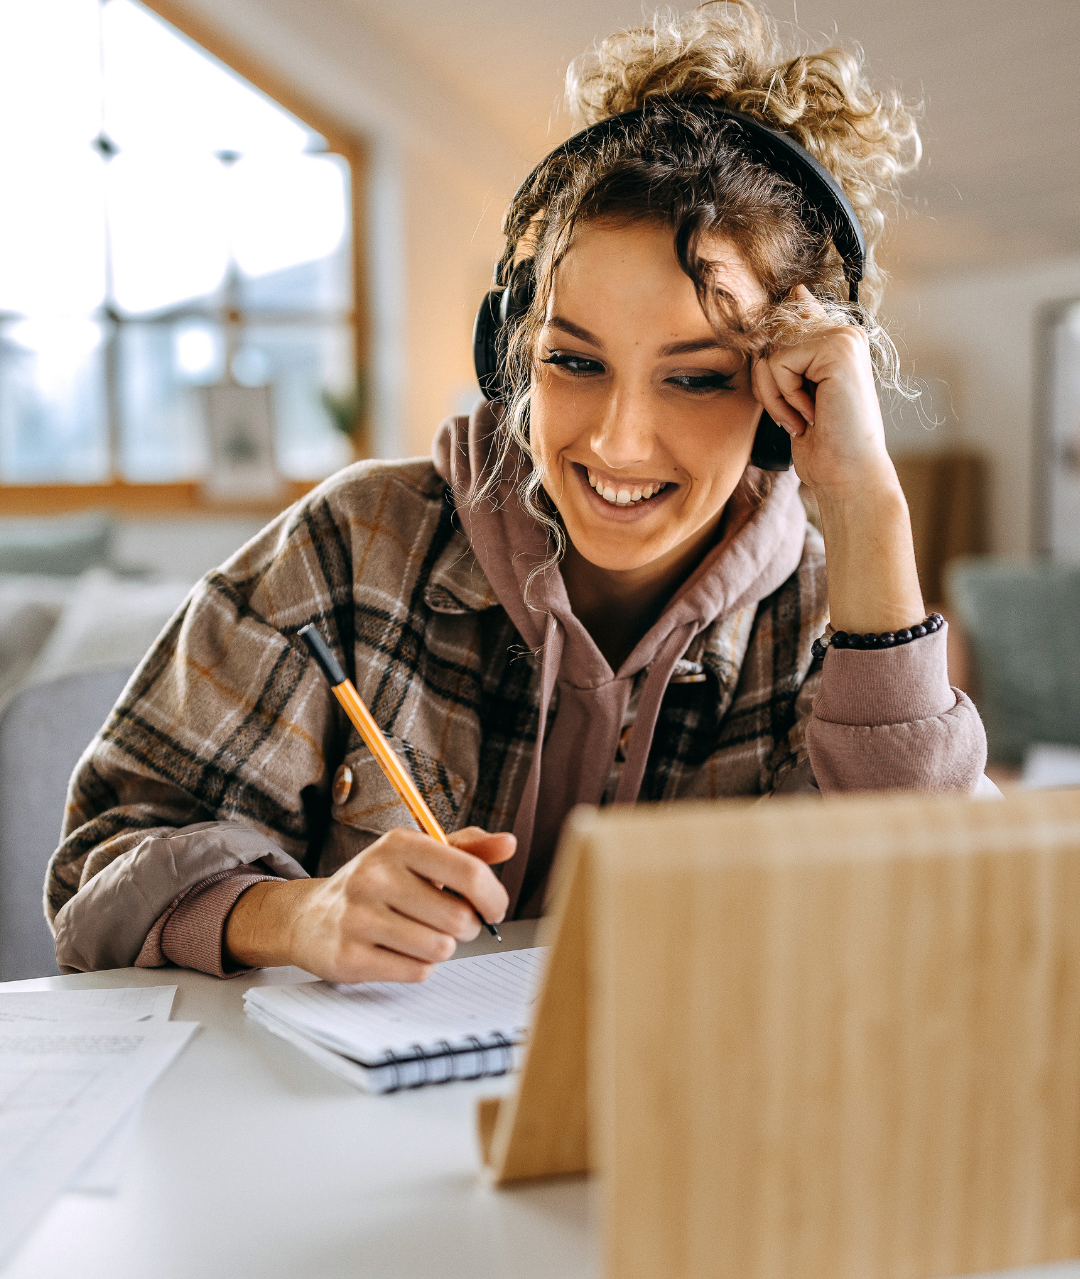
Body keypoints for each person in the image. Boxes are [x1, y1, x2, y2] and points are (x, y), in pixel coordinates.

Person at [47, 1, 985, 982]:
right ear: (510, 357)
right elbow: (97, 879)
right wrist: (301, 916)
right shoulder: (352, 546)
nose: (620, 440)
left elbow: (934, 917)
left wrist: (871, 506)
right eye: (574, 363)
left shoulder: (835, 612)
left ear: (777, 391)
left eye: (699, 375)